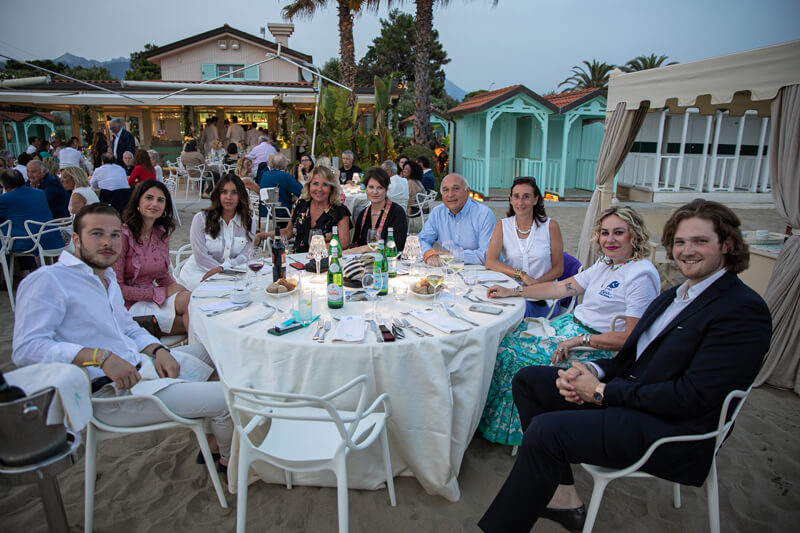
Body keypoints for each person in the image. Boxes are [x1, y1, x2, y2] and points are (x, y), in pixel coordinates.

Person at [478, 200, 772, 533]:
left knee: (547, 431)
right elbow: (635, 356)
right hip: (631, 396)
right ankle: (562, 496)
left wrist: (602, 392)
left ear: (727, 244)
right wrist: (595, 372)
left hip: (670, 428)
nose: (686, 251)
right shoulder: (677, 295)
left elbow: (693, 398)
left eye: (700, 241)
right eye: (679, 242)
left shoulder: (742, 310)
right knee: (529, 380)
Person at [12, 203, 232, 471]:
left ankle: (212, 441)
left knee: (215, 352)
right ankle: (230, 464)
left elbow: (127, 328)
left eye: (115, 234)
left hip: (140, 364)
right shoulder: (49, 280)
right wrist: (98, 357)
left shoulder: (106, 277)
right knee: (230, 399)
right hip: (111, 393)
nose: (108, 242)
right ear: (76, 239)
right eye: (97, 234)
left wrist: (157, 350)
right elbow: (26, 348)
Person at [480, 205, 660, 447]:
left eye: (619, 232)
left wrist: (579, 340)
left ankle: (527, 433)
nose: (610, 239)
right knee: (502, 343)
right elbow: (560, 288)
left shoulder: (640, 275)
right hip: (569, 326)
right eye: (605, 233)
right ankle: (493, 422)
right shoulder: (607, 263)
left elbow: (630, 337)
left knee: (515, 357)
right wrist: (514, 291)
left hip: (597, 343)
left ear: (634, 235)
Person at [114, 181, 191, 335]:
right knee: (196, 324)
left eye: (160, 200)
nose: (154, 203)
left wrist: (178, 290)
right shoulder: (122, 236)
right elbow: (116, 289)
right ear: (138, 202)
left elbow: (162, 275)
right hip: (128, 305)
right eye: (149, 198)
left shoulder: (160, 233)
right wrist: (163, 292)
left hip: (154, 298)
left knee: (192, 301)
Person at [485, 177, 564, 317]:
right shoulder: (502, 226)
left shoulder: (550, 226)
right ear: (510, 199)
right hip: (512, 293)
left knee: (507, 318)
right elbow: (490, 262)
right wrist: (520, 274)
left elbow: (558, 268)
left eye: (526, 197)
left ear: (535, 199)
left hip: (543, 298)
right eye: (516, 197)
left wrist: (536, 284)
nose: (520, 202)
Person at [179, 175, 254, 290]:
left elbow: (246, 254)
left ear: (241, 196)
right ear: (218, 195)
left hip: (232, 273)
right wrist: (222, 270)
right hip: (199, 272)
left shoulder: (248, 222)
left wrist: (223, 268)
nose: (228, 197)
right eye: (224, 192)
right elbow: (200, 256)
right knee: (223, 289)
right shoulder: (201, 219)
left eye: (234, 192)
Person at [255, 166, 351, 253]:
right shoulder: (300, 205)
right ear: (309, 186)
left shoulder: (340, 210)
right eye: (315, 184)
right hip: (297, 262)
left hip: (325, 262)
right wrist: (262, 235)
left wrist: (319, 250)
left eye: (325, 185)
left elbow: (344, 243)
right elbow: (288, 232)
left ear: (331, 188)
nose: (319, 189)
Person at [418, 173, 495, 265]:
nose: (450, 194)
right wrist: (429, 253)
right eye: (445, 190)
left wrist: (452, 255)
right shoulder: (438, 213)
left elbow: (487, 254)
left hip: (477, 273)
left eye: (456, 189)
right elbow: (423, 239)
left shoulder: (484, 215)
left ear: (468, 191)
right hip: (447, 271)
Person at [0, 169, 62, 254]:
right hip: (53, 239)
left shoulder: (4, 199)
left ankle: (12, 267)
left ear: (4, 185)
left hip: (30, 244)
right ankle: (29, 267)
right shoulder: (40, 193)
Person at [348, 167, 408, 253]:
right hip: (365, 263)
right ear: (365, 189)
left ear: (386, 189)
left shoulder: (397, 213)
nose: (375, 192)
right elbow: (356, 244)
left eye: (380, 188)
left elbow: (398, 246)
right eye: (371, 187)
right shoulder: (363, 215)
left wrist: (367, 248)